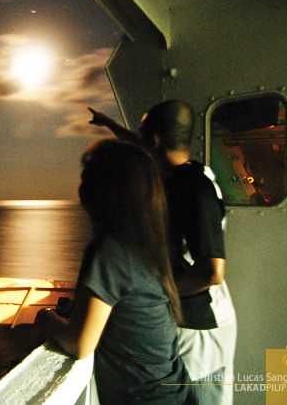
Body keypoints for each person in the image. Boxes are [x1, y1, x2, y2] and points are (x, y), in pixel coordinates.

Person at [89, 101, 237, 405]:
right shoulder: (181, 175)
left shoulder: (195, 189)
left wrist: (153, 294)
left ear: (154, 141)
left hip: (200, 323)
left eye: (142, 135)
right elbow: (137, 143)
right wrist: (109, 124)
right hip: (183, 314)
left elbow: (213, 271)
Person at [36, 139, 197, 404]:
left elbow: (80, 344)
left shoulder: (108, 251)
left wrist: (45, 316)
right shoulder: (150, 244)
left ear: (104, 190)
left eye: (87, 178)